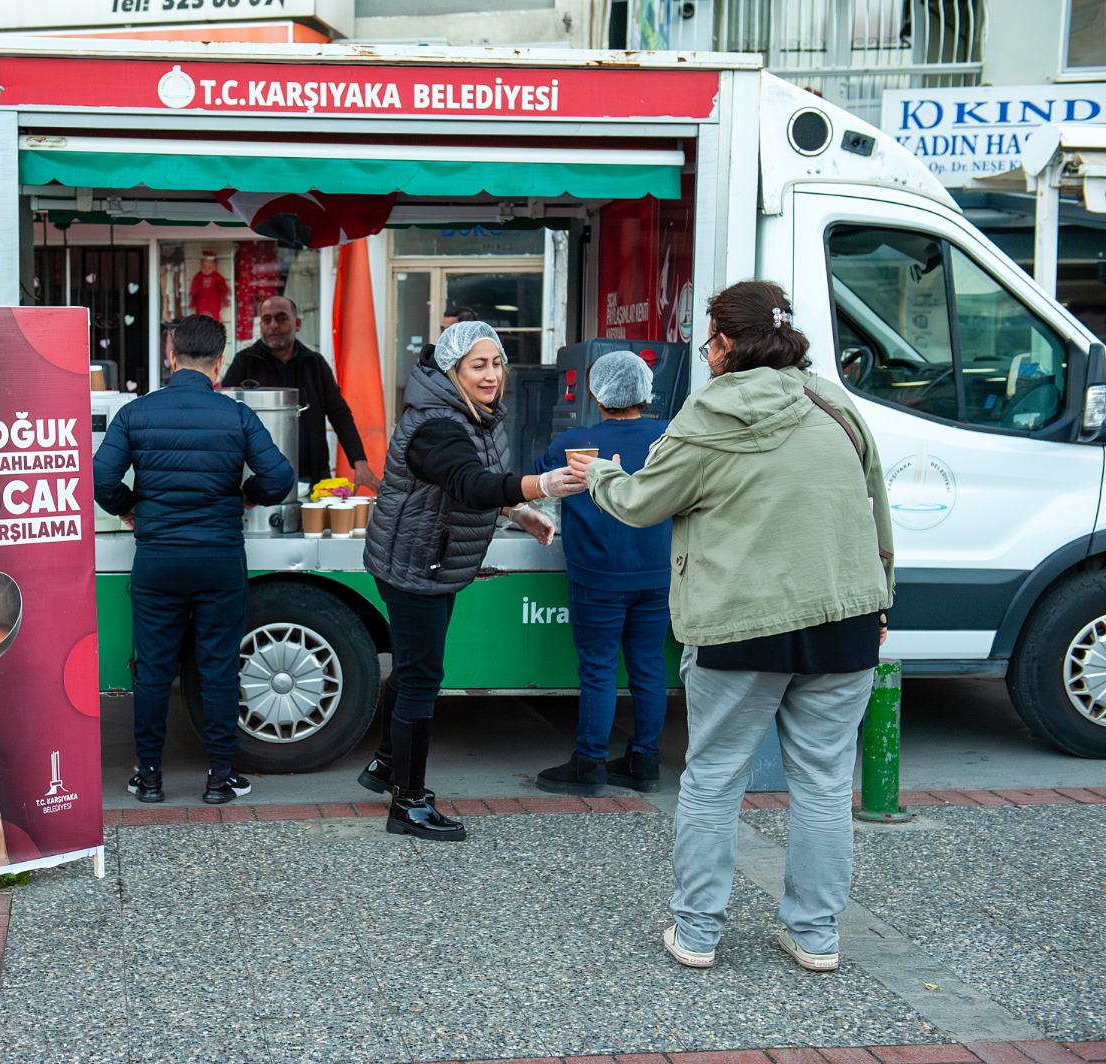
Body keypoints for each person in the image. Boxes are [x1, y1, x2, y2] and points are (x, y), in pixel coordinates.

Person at [565, 280, 894, 972]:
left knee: (714, 778)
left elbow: (641, 503)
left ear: (722, 344)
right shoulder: (835, 406)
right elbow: (875, 509)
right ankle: (815, 936)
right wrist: (883, 596)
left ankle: (699, 934)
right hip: (847, 618)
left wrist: (599, 477)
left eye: (708, 337)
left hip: (740, 625)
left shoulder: (707, 415)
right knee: (827, 782)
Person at [360, 320, 579, 841]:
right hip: (416, 564)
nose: (491, 375)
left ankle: (387, 767)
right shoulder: (436, 423)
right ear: (453, 369)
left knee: (413, 670)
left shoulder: (474, 415)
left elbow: (478, 484)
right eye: (478, 365)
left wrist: (520, 511)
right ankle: (407, 805)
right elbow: (465, 479)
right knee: (421, 679)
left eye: (497, 363)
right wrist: (540, 484)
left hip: (431, 559)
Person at [93, 314, 294, 805]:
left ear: (171, 355)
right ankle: (220, 778)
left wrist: (129, 508)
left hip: (158, 560)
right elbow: (280, 477)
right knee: (218, 670)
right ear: (220, 362)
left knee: (154, 671)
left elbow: (99, 479)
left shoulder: (136, 414)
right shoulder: (237, 415)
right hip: (219, 560)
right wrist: (246, 495)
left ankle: (151, 779)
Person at [530, 351, 672, 795]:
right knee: (649, 666)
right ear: (646, 390)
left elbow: (529, 484)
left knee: (598, 668)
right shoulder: (670, 437)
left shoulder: (574, 444)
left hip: (597, 578)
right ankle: (645, 762)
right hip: (658, 574)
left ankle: (589, 763)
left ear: (594, 392)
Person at [223, 294, 381, 492]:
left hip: (312, 475)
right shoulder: (244, 363)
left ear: (297, 324)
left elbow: (340, 415)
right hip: (258, 478)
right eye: (266, 319)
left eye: (281, 318)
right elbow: (224, 415)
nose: (273, 325)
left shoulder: (314, 364)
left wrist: (359, 462)